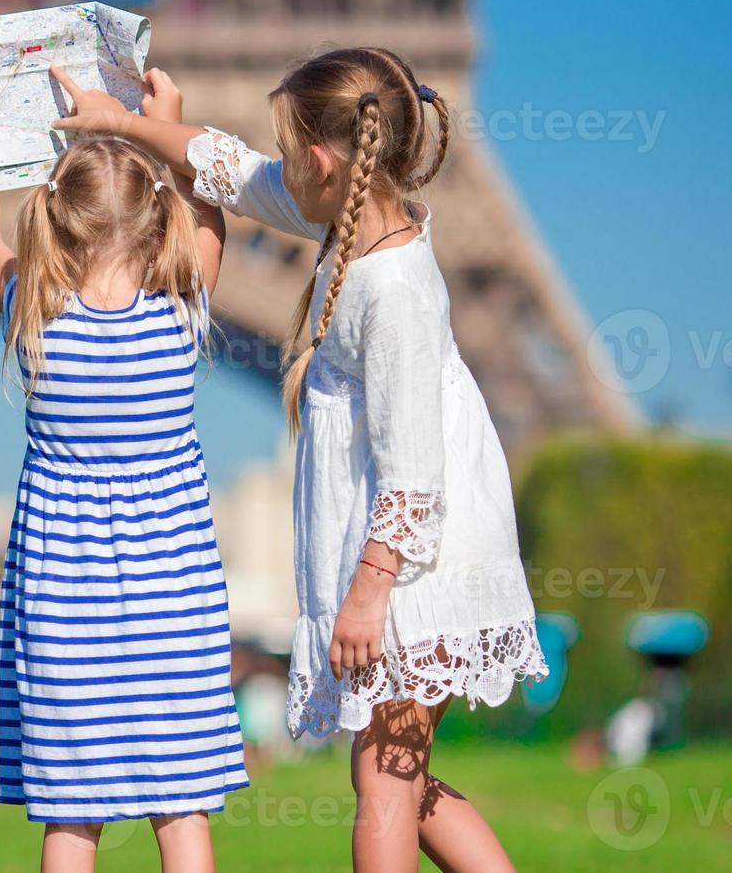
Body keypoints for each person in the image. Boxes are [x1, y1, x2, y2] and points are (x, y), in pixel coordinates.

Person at [52, 48, 549, 871]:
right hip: (409, 562)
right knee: (402, 782)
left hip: (413, 569)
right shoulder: (350, 220)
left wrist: (367, 593)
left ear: (321, 160)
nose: (277, 163)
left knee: (383, 788)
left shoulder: (391, 291)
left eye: (287, 150)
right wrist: (130, 121)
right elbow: (234, 173)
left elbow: (414, 472)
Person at [0, 69, 247, 873]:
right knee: (182, 811)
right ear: (158, 228)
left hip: (63, 605)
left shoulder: (34, 319)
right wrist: (170, 126)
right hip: (174, 602)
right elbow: (213, 222)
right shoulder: (181, 315)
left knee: (71, 819)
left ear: (56, 224)